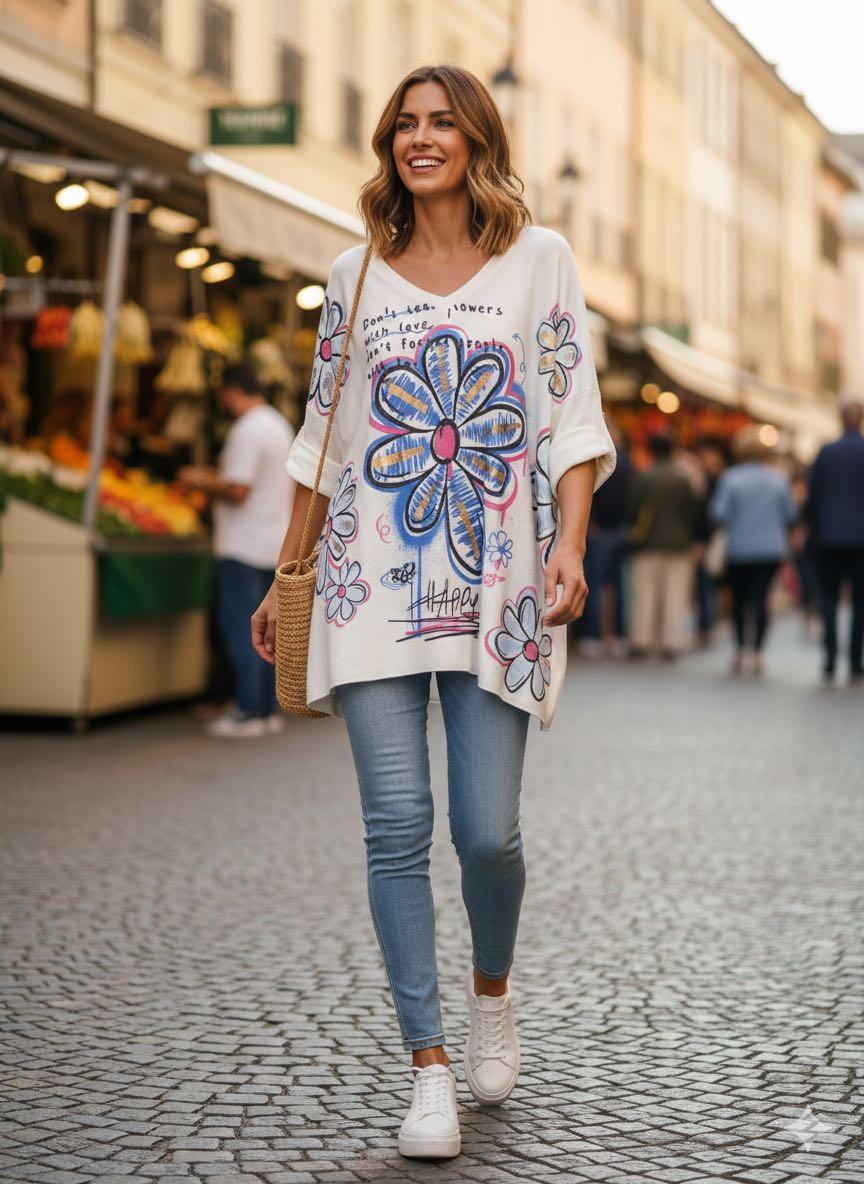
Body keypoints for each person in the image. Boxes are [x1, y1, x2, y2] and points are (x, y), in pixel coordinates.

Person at [250, 65, 616, 1160]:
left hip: (494, 583)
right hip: (368, 586)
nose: (420, 139)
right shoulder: (352, 274)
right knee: (397, 828)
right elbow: (322, 440)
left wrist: (572, 548)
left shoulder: (538, 262)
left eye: (441, 122)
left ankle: (492, 990)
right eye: (404, 125)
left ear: (476, 139)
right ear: (387, 145)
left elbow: (572, 422)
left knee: (487, 832)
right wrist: (287, 570)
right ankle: (429, 1067)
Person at [179, 363, 295, 737]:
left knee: (241, 630)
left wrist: (200, 480)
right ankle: (264, 707)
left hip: (243, 544)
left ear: (230, 391)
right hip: (272, 542)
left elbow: (238, 488)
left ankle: (248, 710)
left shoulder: (247, 430)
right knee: (266, 632)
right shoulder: (278, 424)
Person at [709, 427, 797, 675]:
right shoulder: (778, 479)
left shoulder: (731, 478)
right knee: (761, 599)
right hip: (770, 548)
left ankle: (739, 650)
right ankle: (757, 652)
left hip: (738, 548)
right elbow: (790, 513)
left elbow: (719, 513)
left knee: (738, 600)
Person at [806, 396, 864, 682]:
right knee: (859, 601)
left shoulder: (826, 452)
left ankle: (829, 657)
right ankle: (855, 660)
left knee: (828, 597)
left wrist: (811, 530)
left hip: (828, 537)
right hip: (861, 541)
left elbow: (812, 496)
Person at [626, 432, 700, 659]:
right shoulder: (683, 479)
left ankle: (641, 639)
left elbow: (632, 510)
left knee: (644, 593)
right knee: (675, 594)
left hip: (647, 544)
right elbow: (694, 513)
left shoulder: (644, 476)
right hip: (679, 544)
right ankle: (671, 641)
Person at [576, 421, 631, 655]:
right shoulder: (629, 464)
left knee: (595, 584)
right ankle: (618, 635)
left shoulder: (596, 460)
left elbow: (589, 493)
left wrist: (590, 522)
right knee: (619, 586)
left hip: (597, 531)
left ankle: (593, 635)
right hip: (620, 530)